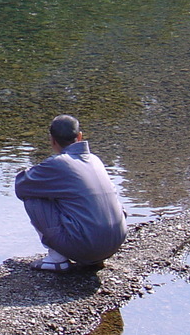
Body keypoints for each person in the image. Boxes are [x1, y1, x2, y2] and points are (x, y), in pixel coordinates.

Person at [15, 115, 127, 272]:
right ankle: (95, 258)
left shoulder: (58, 163)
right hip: (116, 241)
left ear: (52, 140)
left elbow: (21, 185)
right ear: (80, 136)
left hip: (88, 247)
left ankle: (57, 259)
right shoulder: (95, 160)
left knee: (33, 195)